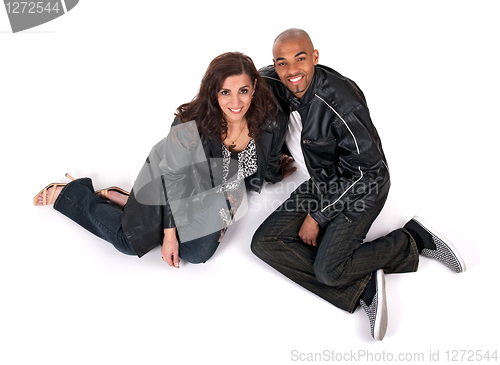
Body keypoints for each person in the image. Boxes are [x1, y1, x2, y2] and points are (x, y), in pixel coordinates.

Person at [250, 29, 466, 340]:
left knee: (329, 270)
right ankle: (362, 286)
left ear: (315, 57)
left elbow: (370, 172)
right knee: (264, 243)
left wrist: (318, 216)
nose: (292, 71)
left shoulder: (342, 101)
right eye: (283, 63)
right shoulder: (272, 83)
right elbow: (239, 86)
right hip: (324, 180)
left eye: (300, 59)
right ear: (274, 64)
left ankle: (413, 240)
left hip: (363, 187)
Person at [34, 52, 294, 268]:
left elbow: (268, 162)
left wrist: (277, 172)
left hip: (218, 193)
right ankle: (72, 193)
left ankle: (127, 201)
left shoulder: (270, 121)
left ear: (254, 88)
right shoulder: (190, 123)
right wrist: (169, 234)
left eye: (243, 91)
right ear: (213, 92)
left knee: (195, 253)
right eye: (225, 92)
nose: (235, 102)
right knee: (128, 242)